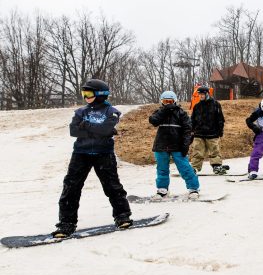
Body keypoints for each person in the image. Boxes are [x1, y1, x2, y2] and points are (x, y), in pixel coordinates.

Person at [51, 79, 132, 238]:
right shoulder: (80, 112)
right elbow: (74, 131)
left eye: (88, 94)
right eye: (84, 94)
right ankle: (66, 223)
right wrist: (100, 131)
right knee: (71, 187)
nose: (85, 97)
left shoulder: (112, 111)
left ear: (100, 95)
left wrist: (88, 127)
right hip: (81, 153)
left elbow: (106, 129)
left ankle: (122, 216)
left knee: (112, 185)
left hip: (104, 153)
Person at [149, 91, 200, 200]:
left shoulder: (181, 113)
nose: (168, 104)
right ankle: (162, 190)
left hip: (177, 145)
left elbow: (188, 129)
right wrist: (164, 111)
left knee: (185, 168)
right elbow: (153, 121)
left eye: (170, 101)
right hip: (161, 145)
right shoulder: (160, 112)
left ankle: (193, 188)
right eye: (165, 101)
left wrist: (186, 144)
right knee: (162, 169)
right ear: (161, 102)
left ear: (175, 101)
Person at [190, 85, 226, 174]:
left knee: (215, 151)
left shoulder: (216, 104)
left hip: (212, 133)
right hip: (199, 133)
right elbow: (192, 120)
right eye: (199, 94)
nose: (200, 96)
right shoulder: (197, 106)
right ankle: (195, 168)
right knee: (197, 152)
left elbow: (220, 119)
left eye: (202, 94)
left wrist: (220, 131)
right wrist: (191, 131)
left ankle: (217, 166)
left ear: (207, 94)